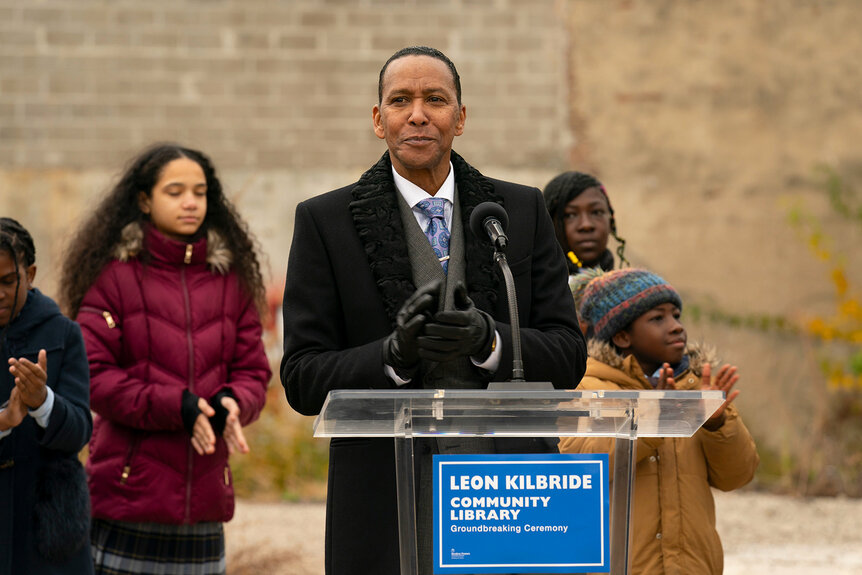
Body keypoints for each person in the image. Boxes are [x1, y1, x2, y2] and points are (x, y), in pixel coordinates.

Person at [281, 46, 585, 575]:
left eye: (435, 99)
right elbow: (302, 378)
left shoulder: (518, 211)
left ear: (460, 118)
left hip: (510, 496)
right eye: (400, 100)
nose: (417, 114)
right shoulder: (324, 223)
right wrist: (392, 356)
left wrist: (491, 343)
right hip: (386, 502)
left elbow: (567, 355)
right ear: (379, 120)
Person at [59, 144, 271, 575]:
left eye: (200, 191)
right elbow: (93, 377)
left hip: (206, 499)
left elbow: (253, 371)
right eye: (174, 192)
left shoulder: (231, 279)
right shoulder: (113, 277)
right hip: (127, 498)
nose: (190, 202)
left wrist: (233, 402)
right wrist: (180, 406)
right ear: (144, 200)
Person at [558, 268, 759, 575]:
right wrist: (651, 418)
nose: (676, 327)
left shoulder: (693, 390)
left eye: (677, 315)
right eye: (658, 318)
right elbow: (583, 468)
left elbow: (737, 476)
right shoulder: (585, 389)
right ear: (622, 335)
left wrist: (717, 423)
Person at [0, 218, 94, 575]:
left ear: (31, 273)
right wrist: (4, 421)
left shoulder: (63, 333)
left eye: (8, 281)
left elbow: (80, 431)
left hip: (46, 533)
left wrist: (43, 402)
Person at [542, 171, 627, 274]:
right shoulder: (535, 287)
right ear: (549, 223)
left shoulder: (635, 287)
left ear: (610, 220)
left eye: (596, 212)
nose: (586, 225)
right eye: (570, 215)